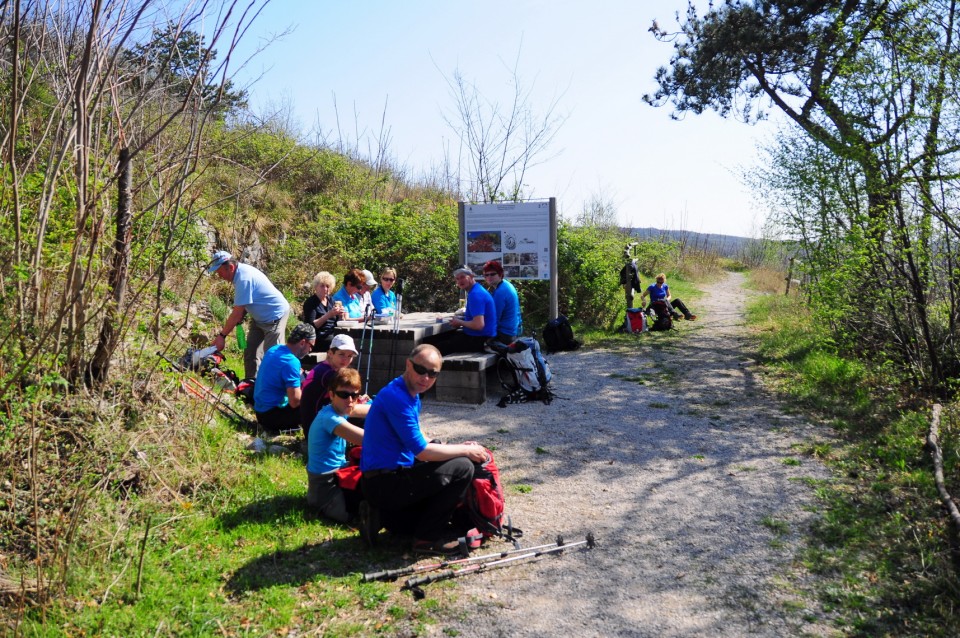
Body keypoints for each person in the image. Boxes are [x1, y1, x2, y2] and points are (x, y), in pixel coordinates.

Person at [359, 344, 488, 553]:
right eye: (421, 370)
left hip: (384, 480)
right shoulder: (397, 398)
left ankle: (381, 516)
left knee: (442, 508)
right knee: (463, 467)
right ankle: (425, 540)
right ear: (408, 364)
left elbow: (418, 437)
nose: (426, 378)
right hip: (385, 483)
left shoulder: (408, 391)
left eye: (432, 373)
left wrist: (449, 446)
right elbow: (422, 451)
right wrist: (464, 451)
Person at [207, 251, 291, 380]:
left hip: (275, 316)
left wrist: (222, 336)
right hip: (259, 317)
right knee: (251, 352)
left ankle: (272, 394)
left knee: (273, 358)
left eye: (219, 271)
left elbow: (236, 313)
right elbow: (248, 302)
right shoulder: (239, 274)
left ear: (230, 267)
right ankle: (249, 387)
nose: (219, 276)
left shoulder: (244, 278)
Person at [307, 367, 366, 522]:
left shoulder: (338, 408)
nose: (350, 400)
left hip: (338, 472)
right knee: (361, 511)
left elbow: (371, 409)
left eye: (354, 395)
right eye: (344, 394)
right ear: (332, 394)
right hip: (325, 486)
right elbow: (369, 440)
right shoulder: (330, 419)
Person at [300, 334, 370, 439]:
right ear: (330, 353)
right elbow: (347, 409)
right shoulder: (329, 374)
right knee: (369, 417)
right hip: (317, 430)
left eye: (350, 356)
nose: (346, 360)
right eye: (341, 354)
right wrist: (377, 408)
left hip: (312, 424)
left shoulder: (322, 367)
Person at [253, 323, 315, 434]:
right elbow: (295, 402)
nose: (310, 350)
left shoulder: (275, 349)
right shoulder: (291, 362)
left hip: (260, 411)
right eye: (311, 346)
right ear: (302, 342)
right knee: (317, 404)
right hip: (272, 417)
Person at [426, 266, 497, 355]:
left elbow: (479, 325)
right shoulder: (476, 290)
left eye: (463, 277)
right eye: (457, 279)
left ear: (471, 276)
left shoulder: (476, 294)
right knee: (435, 339)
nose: (460, 281)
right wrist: (461, 320)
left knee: (431, 348)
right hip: (479, 336)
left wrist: (459, 322)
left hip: (480, 339)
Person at [301, 271, 345, 353]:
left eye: (327, 286)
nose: (325, 289)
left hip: (332, 333)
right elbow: (311, 326)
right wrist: (328, 315)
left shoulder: (331, 300)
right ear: (316, 287)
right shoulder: (311, 302)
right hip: (318, 337)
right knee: (338, 343)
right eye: (322, 286)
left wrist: (340, 315)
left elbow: (337, 322)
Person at [482, 260, 522, 344]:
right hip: (514, 331)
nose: (489, 277)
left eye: (493, 274)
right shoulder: (506, 284)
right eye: (486, 275)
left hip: (505, 335)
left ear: (500, 274)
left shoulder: (500, 292)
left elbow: (493, 319)